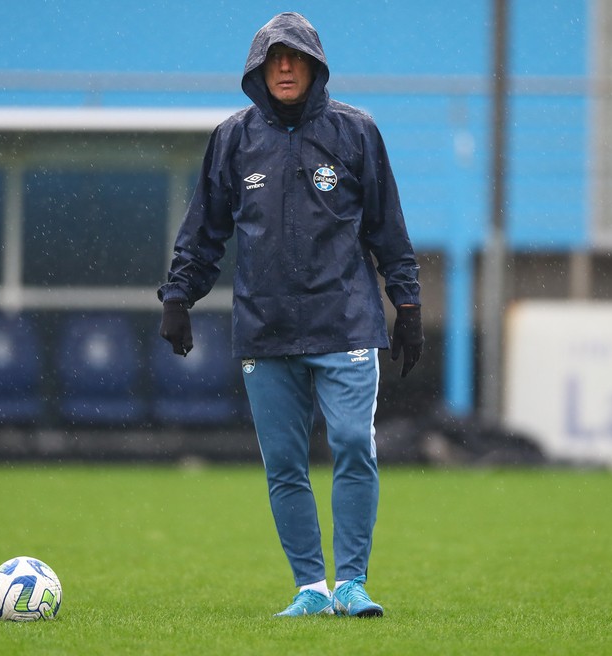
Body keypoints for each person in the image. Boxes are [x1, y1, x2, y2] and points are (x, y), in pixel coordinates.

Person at [158, 11, 423, 618]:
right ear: (258, 68)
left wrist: (406, 304)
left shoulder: (357, 132)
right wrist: (178, 296)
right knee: (284, 465)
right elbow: (205, 230)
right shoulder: (232, 138)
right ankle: (310, 588)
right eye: (274, 58)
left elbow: (387, 228)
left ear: (314, 66)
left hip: (346, 321)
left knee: (353, 443)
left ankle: (352, 583)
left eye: (295, 57)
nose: (284, 67)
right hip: (265, 327)